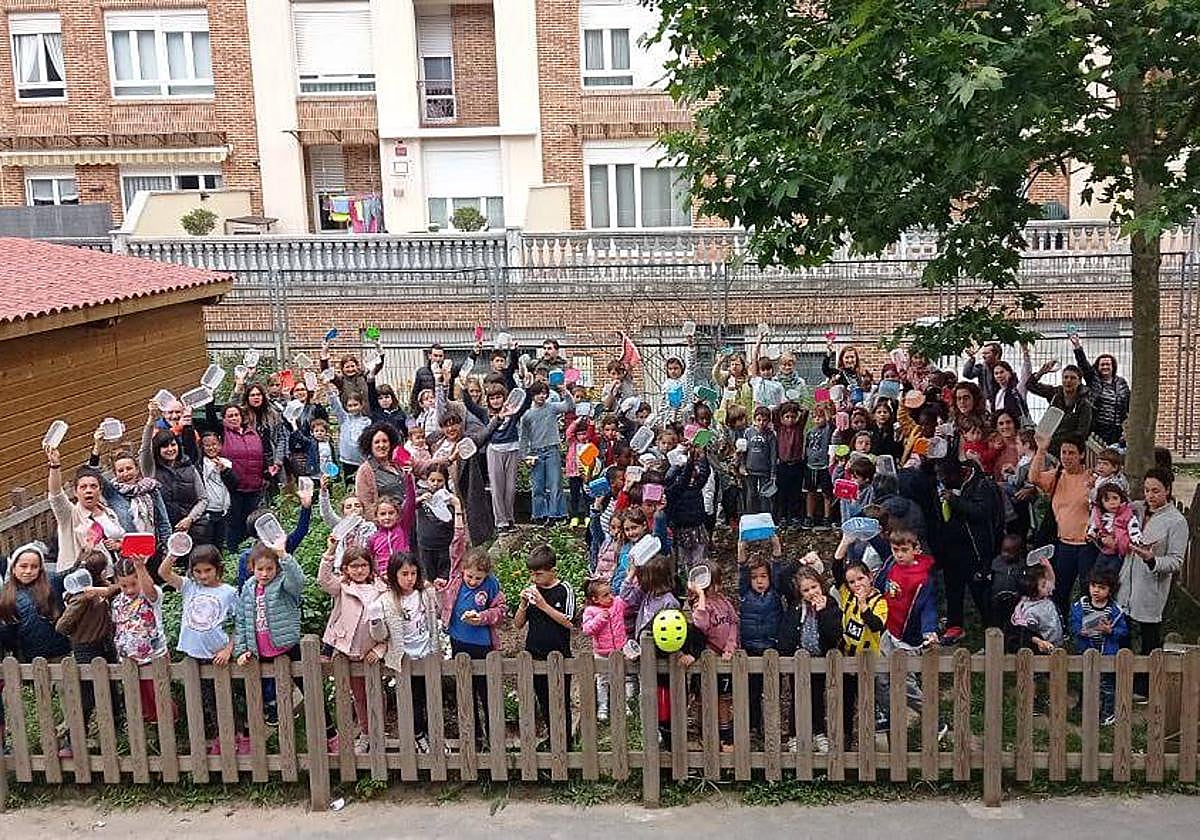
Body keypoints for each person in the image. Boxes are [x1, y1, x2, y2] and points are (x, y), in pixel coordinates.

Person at [158, 545, 240, 755]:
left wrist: (228, 649)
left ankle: (232, 738)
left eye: (208, 571)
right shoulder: (189, 587)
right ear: (192, 571)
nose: (203, 576)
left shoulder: (229, 592)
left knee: (222, 699)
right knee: (200, 700)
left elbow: (240, 624)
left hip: (217, 656)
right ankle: (212, 739)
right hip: (193, 655)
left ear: (218, 569)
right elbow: (164, 573)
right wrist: (174, 552)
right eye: (198, 571)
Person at [438, 502, 505, 745]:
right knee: (465, 688)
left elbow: (501, 611)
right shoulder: (457, 578)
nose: (474, 581)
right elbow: (456, 546)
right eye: (470, 577)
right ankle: (474, 735)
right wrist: (458, 512)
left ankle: (494, 735)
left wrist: (483, 617)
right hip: (459, 641)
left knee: (487, 690)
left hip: (483, 644)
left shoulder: (492, 585)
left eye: (478, 578)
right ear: (463, 571)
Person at [1119, 467, 1187, 696]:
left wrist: (1152, 560)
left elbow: (1176, 561)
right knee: (1124, 633)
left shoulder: (1176, 521)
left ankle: (1146, 687)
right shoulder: (1135, 510)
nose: (1150, 495)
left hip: (1151, 586)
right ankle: (1124, 677)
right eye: (1147, 490)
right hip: (1126, 582)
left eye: (1156, 491)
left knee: (1149, 636)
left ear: (1167, 490)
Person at [318, 537, 389, 755]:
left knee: (376, 692)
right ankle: (366, 733)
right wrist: (330, 550)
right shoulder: (342, 586)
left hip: (372, 650)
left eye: (363, 565)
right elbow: (323, 579)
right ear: (346, 569)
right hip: (348, 651)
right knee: (358, 695)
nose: (359, 570)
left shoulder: (382, 588)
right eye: (354, 566)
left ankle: (379, 731)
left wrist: (380, 649)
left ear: (370, 566)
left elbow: (391, 623)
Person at [874, 528, 943, 734]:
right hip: (889, 631)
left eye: (904, 550)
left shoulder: (922, 579)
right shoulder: (892, 564)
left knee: (906, 685)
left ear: (916, 550)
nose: (899, 555)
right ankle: (890, 715)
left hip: (908, 638)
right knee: (881, 678)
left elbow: (927, 607)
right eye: (896, 550)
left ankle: (934, 718)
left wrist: (928, 630)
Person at [373, 551, 441, 752]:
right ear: (394, 575)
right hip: (404, 658)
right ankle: (418, 735)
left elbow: (435, 616)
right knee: (413, 699)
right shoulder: (386, 601)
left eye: (413, 573)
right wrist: (375, 621)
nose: (409, 578)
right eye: (404, 574)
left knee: (430, 695)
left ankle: (432, 733)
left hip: (426, 653)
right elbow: (380, 635)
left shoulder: (424, 594)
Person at [234, 537, 305, 726]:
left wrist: (283, 555)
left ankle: (329, 732)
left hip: (287, 646)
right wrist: (241, 650)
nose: (265, 574)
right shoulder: (248, 588)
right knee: (263, 694)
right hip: (260, 650)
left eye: (269, 569)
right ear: (252, 568)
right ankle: (273, 725)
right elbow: (241, 620)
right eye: (260, 569)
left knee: (309, 688)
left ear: (277, 567)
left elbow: (299, 581)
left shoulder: (284, 584)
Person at [54, 549, 116, 758]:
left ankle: (115, 732)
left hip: (104, 645)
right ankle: (73, 739)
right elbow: (61, 627)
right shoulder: (80, 597)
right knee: (87, 695)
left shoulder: (102, 589)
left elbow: (117, 589)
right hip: (85, 648)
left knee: (112, 690)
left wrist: (103, 590)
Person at [514, 544, 576, 742]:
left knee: (560, 701)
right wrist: (523, 605)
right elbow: (518, 624)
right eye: (532, 574)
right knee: (544, 701)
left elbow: (569, 622)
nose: (534, 579)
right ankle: (551, 738)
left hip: (559, 655)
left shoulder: (564, 590)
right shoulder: (533, 590)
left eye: (539, 574)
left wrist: (542, 605)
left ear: (552, 571)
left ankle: (564, 742)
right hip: (534, 654)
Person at [1031, 433, 1095, 621]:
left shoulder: (1091, 477)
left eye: (1072, 453)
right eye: (1064, 452)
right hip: (1064, 544)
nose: (1067, 457)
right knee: (1060, 589)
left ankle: (1088, 626)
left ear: (1081, 455)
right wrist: (1041, 450)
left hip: (1086, 545)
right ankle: (1061, 626)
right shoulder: (1057, 476)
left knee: (1087, 589)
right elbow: (1034, 477)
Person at [779, 564, 841, 754]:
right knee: (798, 698)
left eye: (814, 587)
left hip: (821, 660)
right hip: (799, 661)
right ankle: (795, 735)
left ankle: (819, 733)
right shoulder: (797, 607)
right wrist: (801, 561)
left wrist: (823, 612)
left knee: (817, 697)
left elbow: (834, 634)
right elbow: (782, 577)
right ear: (800, 593)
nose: (811, 592)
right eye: (806, 590)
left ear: (820, 585)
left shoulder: (830, 604)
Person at [936, 458, 1001, 641]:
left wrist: (955, 501)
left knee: (980, 592)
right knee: (953, 590)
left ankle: (992, 629)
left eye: (947, 478)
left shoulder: (981, 485)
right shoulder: (948, 485)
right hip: (952, 548)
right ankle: (955, 625)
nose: (944, 481)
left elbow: (982, 512)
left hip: (975, 550)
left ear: (960, 473)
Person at [110, 555, 170, 723]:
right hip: (129, 659)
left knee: (159, 698)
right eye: (124, 585)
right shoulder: (117, 602)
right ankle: (147, 729)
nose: (129, 589)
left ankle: (168, 728)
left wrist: (140, 567)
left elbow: (150, 592)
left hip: (153, 657)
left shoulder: (150, 595)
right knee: (138, 700)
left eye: (133, 584)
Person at [1070, 565, 1128, 725]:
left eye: (1101, 588)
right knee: (1087, 680)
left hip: (1107, 653)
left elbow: (1123, 631)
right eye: (1093, 586)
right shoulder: (1080, 606)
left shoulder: (1114, 610)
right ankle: (1083, 707)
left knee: (1107, 685)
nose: (1096, 590)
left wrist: (1110, 631)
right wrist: (1079, 631)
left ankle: (1108, 712)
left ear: (1110, 590)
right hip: (1086, 650)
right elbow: (1073, 623)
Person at [689, 564, 738, 751]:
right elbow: (700, 625)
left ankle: (725, 734)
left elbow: (733, 622)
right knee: (704, 698)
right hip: (706, 659)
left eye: (717, 583)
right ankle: (705, 734)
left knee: (723, 699)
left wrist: (731, 645)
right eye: (711, 585)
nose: (716, 588)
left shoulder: (724, 602)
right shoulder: (700, 605)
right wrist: (701, 596)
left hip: (724, 658)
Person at [137, 405, 206, 538]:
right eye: (164, 446)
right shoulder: (151, 470)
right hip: (165, 531)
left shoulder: (189, 467)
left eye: (173, 445)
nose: (170, 449)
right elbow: (145, 448)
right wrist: (151, 420)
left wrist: (190, 519)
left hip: (193, 529)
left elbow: (203, 499)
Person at [519, 380, 575, 523]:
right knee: (537, 486)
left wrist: (565, 392)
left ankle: (556, 514)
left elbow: (569, 406)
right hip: (536, 452)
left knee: (555, 483)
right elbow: (523, 437)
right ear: (532, 395)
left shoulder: (551, 407)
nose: (542, 396)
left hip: (552, 449)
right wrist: (524, 456)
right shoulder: (527, 415)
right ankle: (539, 514)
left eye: (544, 393)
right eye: (539, 393)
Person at [1025, 352, 1093, 454]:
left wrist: (1060, 440)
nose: (1068, 381)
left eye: (1073, 378)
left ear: (1079, 382)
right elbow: (1030, 386)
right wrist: (1041, 372)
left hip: (1069, 450)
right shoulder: (1055, 393)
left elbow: (1082, 432)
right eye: (1065, 377)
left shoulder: (1084, 404)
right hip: (1047, 446)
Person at [581, 579, 626, 722]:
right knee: (603, 680)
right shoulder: (591, 611)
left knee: (620, 678)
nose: (610, 597)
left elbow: (626, 593)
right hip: (602, 652)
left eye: (610, 593)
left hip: (619, 650)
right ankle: (603, 707)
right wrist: (600, 619)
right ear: (595, 599)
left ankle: (623, 704)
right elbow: (587, 630)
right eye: (605, 595)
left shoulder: (617, 604)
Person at [1071, 335, 1130, 445]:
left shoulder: (1121, 383)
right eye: (1102, 364)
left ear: (1113, 367)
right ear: (1097, 367)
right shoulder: (1094, 380)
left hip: (1117, 428)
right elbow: (1084, 365)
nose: (1105, 367)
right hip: (1099, 427)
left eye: (1108, 364)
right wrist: (1077, 346)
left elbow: (1128, 404)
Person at [1008, 561, 1063, 654]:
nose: (1048, 586)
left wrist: (1048, 567)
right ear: (1033, 592)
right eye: (1043, 585)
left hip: (1055, 643)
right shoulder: (1029, 611)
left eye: (1045, 582)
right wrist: (1040, 642)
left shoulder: (1044, 596)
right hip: (1041, 648)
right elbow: (1027, 633)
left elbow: (1051, 581)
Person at [354, 423, 407, 519]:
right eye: (377, 442)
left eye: (385, 441)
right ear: (370, 445)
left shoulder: (398, 463)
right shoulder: (365, 471)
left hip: (409, 519)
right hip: (388, 525)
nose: (381, 445)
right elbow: (366, 505)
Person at [1088, 483, 1143, 572]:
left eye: (1115, 498)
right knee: (1097, 573)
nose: (1112, 502)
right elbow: (1095, 527)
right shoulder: (1100, 515)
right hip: (1104, 551)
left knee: (1111, 576)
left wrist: (1136, 538)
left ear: (1121, 498)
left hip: (1119, 554)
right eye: (1107, 500)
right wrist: (1092, 534)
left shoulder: (1126, 514)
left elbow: (1133, 526)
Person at [325, 383, 372, 483]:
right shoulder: (344, 419)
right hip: (347, 461)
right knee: (350, 486)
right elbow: (335, 405)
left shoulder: (367, 422)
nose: (353, 408)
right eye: (350, 406)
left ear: (361, 405)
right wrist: (329, 389)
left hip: (362, 461)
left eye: (355, 405)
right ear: (346, 407)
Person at [367, 492, 417, 577]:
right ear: (376, 517)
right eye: (382, 514)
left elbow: (410, 501)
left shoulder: (402, 528)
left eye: (391, 513)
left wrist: (409, 479)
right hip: (383, 576)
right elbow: (369, 559)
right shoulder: (373, 538)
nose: (387, 517)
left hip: (402, 572)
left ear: (397, 515)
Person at [741, 406, 778, 515]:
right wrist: (742, 466)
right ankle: (750, 516)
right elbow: (743, 451)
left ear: (769, 421)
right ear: (754, 420)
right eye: (759, 420)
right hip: (750, 470)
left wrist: (773, 473)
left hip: (765, 470)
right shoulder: (748, 433)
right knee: (751, 494)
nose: (761, 423)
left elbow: (773, 455)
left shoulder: (771, 435)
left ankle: (765, 517)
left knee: (765, 495)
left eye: (765, 420)